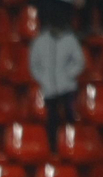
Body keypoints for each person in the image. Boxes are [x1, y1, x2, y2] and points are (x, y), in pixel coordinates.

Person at [29, 23, 83, 151]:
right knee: (52, 120)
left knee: (70, 118)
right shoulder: (40, 42)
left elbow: (79, 61)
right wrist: (43, 78)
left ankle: (72, 146)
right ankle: (53, 149)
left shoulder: (70, 40)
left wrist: (68, 75)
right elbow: (34, 64)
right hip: (49, 90)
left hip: (68, 88)